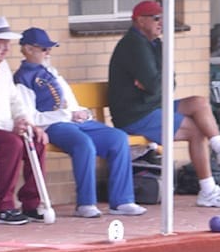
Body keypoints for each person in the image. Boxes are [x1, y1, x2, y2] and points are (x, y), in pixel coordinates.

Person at [107, 0, 220, 209]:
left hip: (150, 106)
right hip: (135, 115)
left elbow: (169, 81)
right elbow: (155, 85)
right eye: (156, 18)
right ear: (140, 21)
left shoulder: (155, 43)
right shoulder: (134, 44)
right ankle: (208, 190)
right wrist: (157, 85)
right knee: (196, 131)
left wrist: (157, 84)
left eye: (162, 18)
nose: (161, 23)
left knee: (199, 102)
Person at [15, 26, 146, 219]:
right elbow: (32, 117)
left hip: (73, 121)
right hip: (53, 125)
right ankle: (86, 203)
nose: (48, 52)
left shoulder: (51, 72)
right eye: (43, 49)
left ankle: (122, 200)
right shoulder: (23, 78)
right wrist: (65, 115)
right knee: (84, 145)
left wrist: (81, 112)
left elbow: (70, 102)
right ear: (28, 49)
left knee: (117, 138)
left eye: (49, 48)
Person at [0, 18, 48, 225]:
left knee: (37, 139)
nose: (6, 48)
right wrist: (11, 127)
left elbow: (15, 99)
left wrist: (25, 121)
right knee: (12, 144)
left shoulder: (3, 66)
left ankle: (31, 204)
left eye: (7, 42)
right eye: (1, 42)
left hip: (6, 128)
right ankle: (3, 207)